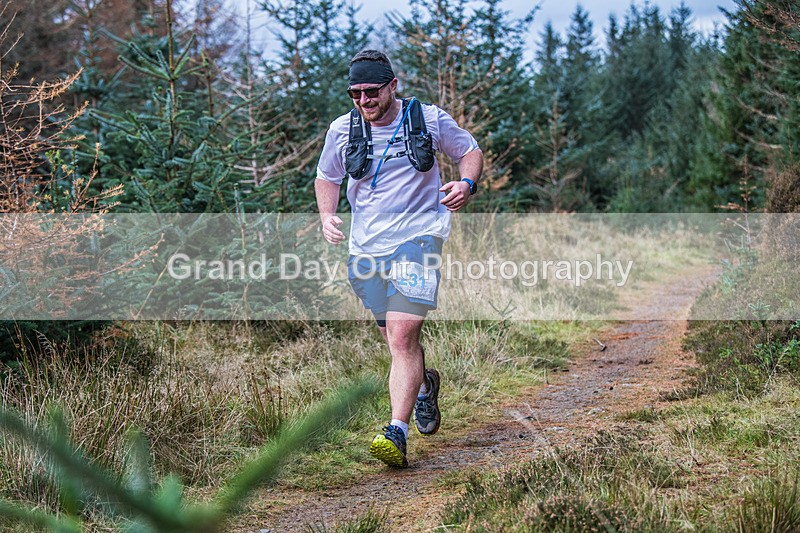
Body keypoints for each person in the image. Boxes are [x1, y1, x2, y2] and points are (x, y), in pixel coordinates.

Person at [314, 49, 483, 468]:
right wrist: (327, 215)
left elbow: (470, 150)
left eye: (372, 91)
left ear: (393, 85)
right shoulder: (342, 129)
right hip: (366, 249)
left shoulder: (427, 119)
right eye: (355, 93)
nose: (364, 100)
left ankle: (396, 431)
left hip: (420, 239)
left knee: (403, 336)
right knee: (394, 337)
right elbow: (327, 177)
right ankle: (424, 385)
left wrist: (466, 183)